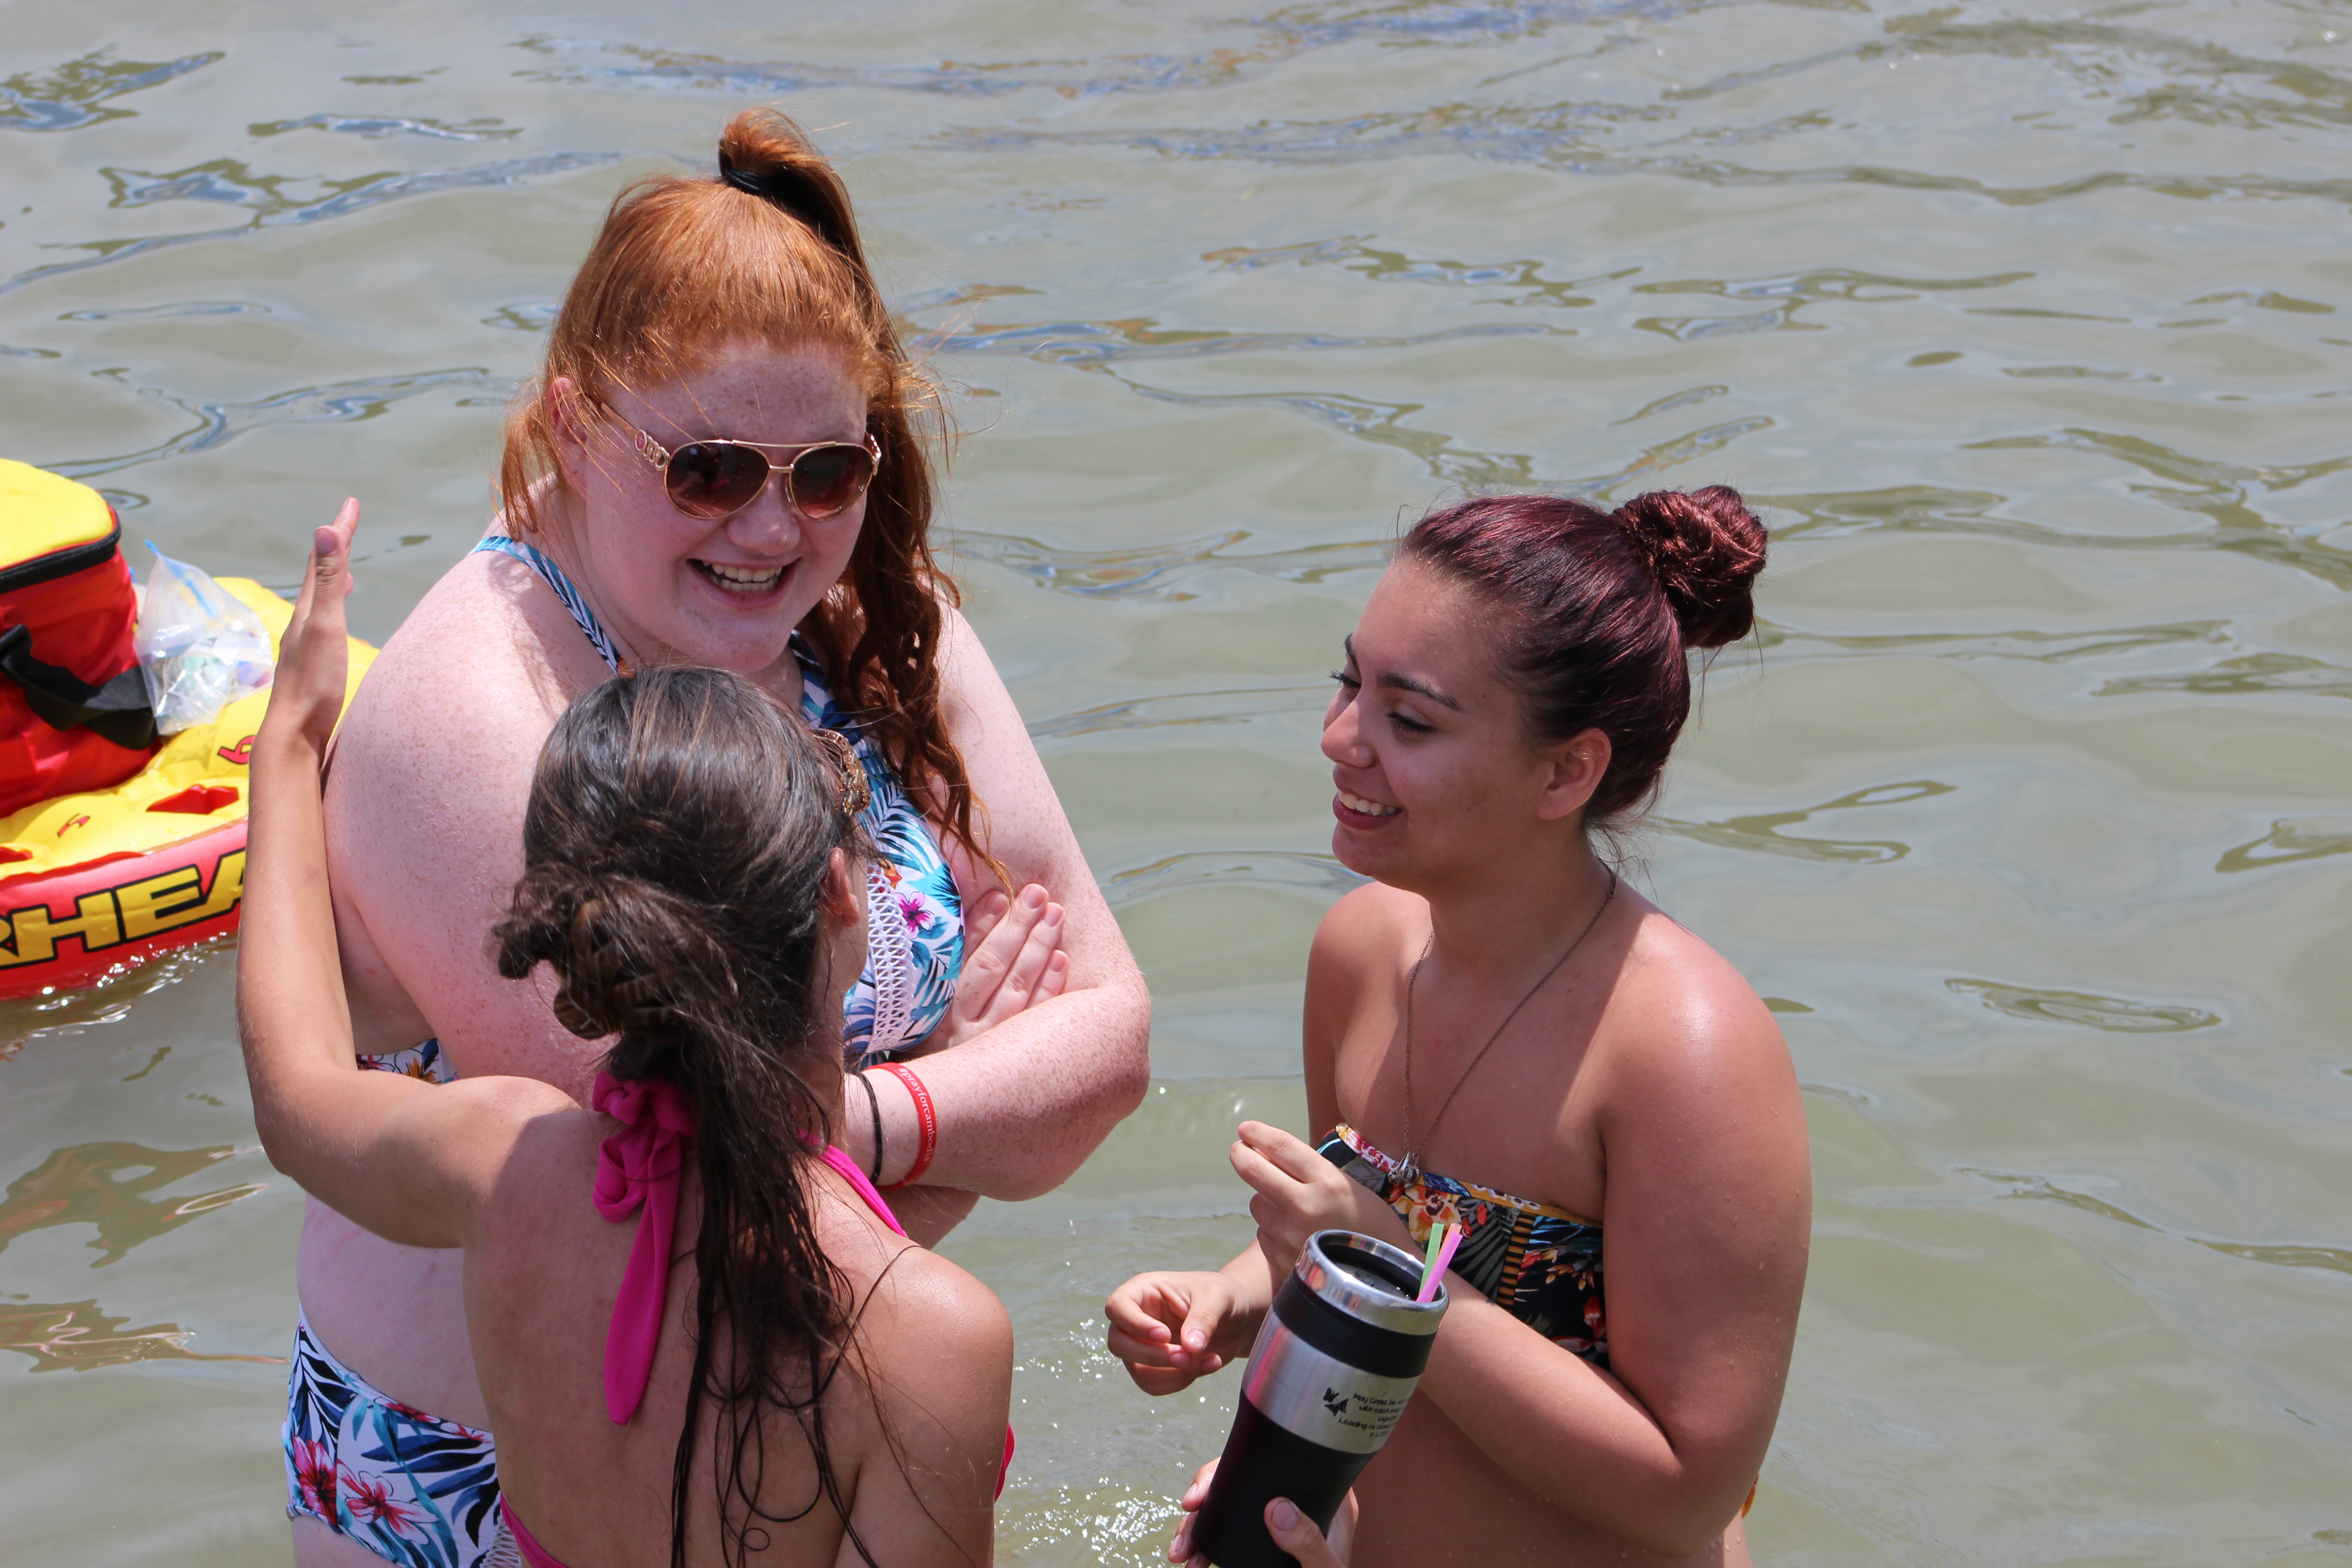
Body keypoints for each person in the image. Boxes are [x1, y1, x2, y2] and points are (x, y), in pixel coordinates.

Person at [293, 109, 1149, 1568]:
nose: (773, 530)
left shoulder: (876, 620)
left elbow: (1114, 1041)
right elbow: (688, 1223)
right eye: (708, 472)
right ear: (572, 424)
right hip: (482, 1475)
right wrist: (971, 1094)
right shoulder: (475, 707)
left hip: (800, 1416)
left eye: (827, 472)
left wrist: (872, 1121)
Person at [245, 514, 1012, 1568]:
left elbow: (296, 1099)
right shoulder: (922, 1333)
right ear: (841, 896)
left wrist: (288, 744)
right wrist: (955, 1095)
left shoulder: (500, 1167)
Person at [1106, 488, 1812, 1566]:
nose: (1341, 738)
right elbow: (1346, 1248)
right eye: (1351, 681)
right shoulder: (1359, 952)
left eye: (1412, 720)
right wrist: (1234, 1302)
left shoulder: (1684, 1050)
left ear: (1567, 770)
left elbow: (1685, 1490)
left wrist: (1403, 1277)